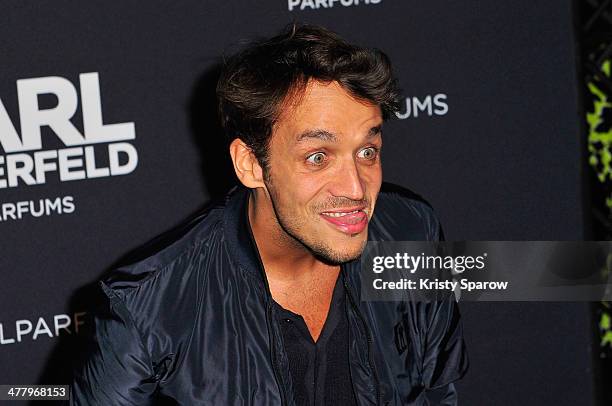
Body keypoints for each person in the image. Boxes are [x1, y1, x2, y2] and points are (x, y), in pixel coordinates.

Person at [71, 23, 468, 405]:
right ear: (251, 164)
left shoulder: (411, 229)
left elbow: (437, 389)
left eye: (367, 152)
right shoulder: (147, 310)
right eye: (317, 157)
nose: (356, 189)